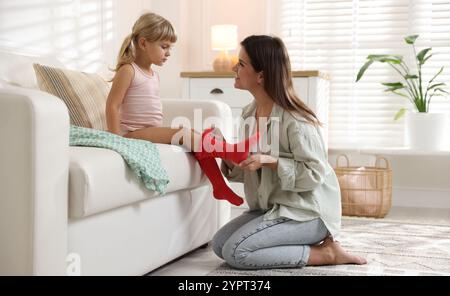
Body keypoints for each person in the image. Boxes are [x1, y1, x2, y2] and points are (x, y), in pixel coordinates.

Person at [211, 35, 367, 269]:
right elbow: (250, 169)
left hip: (307, 212)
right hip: (275, 208)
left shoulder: (296, 120)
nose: (235, 67)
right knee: (220, 245)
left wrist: (272, 162)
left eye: (241, 64)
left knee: (237, 252)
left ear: (261, 76)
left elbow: (314, 174)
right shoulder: (248, 114)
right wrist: (224, 151)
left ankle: (326, 254)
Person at [105, 12, 259, 206]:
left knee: (195, 138)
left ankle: (219, 186)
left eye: (170, 47)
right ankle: (230, 151)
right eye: (164, 47)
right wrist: (116, 140)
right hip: (131, 134)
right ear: (143, 44)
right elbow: (112, 104)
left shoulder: (152, 74)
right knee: (183, 133)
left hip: (147, 130)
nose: (168, 53)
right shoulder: (128, 70)